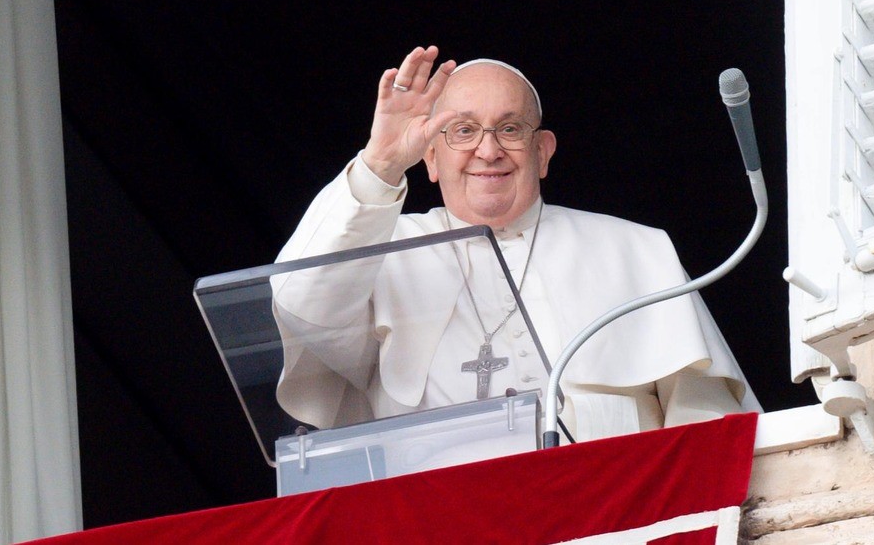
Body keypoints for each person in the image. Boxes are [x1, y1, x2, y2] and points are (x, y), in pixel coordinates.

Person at [271, 45, 760, 440]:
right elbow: (301, 305)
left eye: (510, 128)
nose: (488, 150)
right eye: (462, 131)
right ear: (431, 159)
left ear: (542, 152)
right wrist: (379, 163)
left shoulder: (633, 248)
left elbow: (707, 419)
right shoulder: (381, 252)